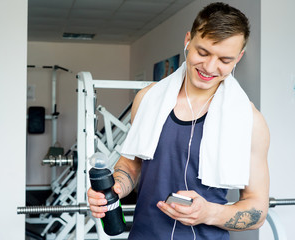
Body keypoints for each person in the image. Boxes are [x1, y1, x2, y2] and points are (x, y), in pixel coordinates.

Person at [87, 2, 270, 240]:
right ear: (188, 40)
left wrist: (208, 213)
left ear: (239, 57)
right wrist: (116, 189)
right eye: (202, 53)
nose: (209, 67)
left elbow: (258, 209)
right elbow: (131, 165)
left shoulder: (251, 121)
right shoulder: (147, 99)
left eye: (225, 60)